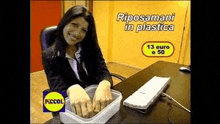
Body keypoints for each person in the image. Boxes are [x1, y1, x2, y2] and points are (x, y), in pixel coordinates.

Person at [42, 5, 113, 118]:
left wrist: (105, 83)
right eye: (74, 25)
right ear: (65, 22)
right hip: (70, 101)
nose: (77, 33)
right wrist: (72, 89)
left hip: (92, 97)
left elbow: (103, 70)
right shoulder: (49, 55)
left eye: (83, 30)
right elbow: (56, 87)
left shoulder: (91, 47)